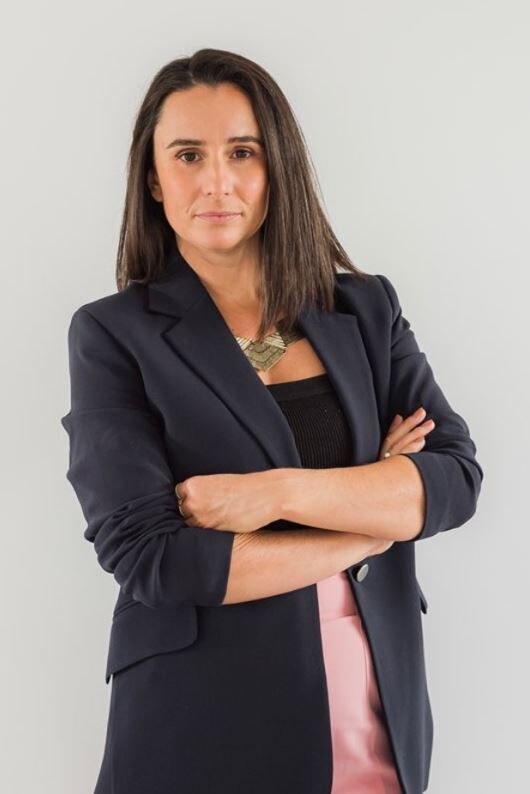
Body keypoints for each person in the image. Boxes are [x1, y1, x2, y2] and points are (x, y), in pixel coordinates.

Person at [60, 48, 483, 794]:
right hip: (201, 721)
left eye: (243, 152)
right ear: (155, 178)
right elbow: (156, 558)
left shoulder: (363, 308)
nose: (216, 181)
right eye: (188, 155)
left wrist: (276, 496)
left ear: (275, 167)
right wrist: (376, 519)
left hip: (378, 706)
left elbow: (451, 480)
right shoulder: (113, 334)